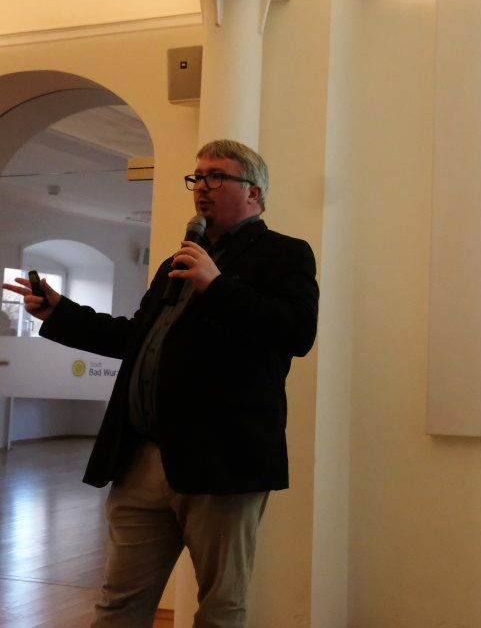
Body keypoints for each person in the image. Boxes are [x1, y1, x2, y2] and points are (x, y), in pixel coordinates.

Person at [2, 139, 319, 626]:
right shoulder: (180, 260)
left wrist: (217, 285)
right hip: (142, 456)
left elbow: (295, 332)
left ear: (254, 193)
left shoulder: (284, 254)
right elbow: (137, 338)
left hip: (222, 461)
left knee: (220, 607)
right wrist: (61, 313)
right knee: (119, 601)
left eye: (217, 176)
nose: (202, 187)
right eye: (197, 177)